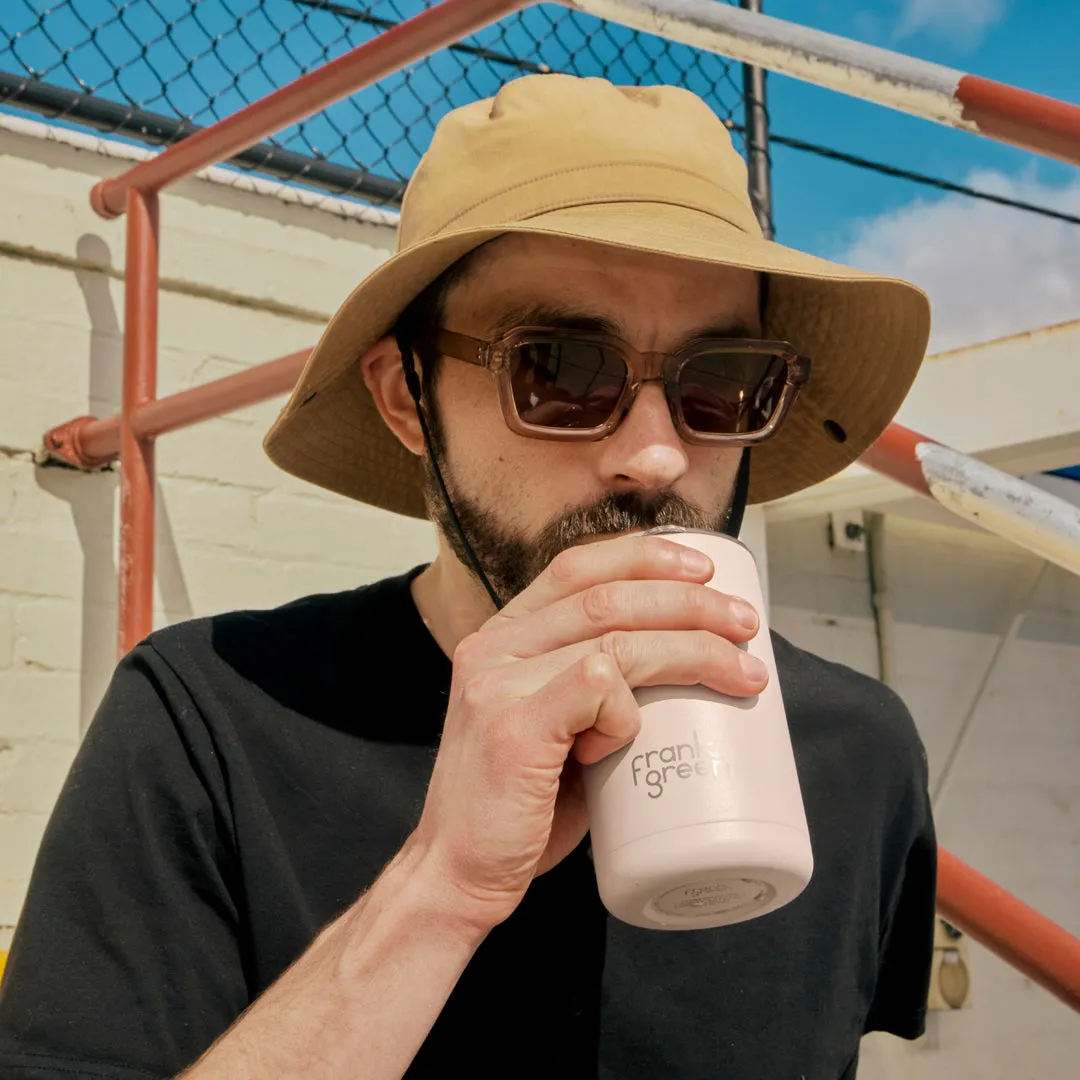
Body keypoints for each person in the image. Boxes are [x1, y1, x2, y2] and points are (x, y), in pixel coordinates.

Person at [0, 75, 936, 1080]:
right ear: (409, 397)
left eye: (723, 381)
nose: (657, 457)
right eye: (564, 369)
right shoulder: (213, 718)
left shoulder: (855, 748)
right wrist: (436, 888)